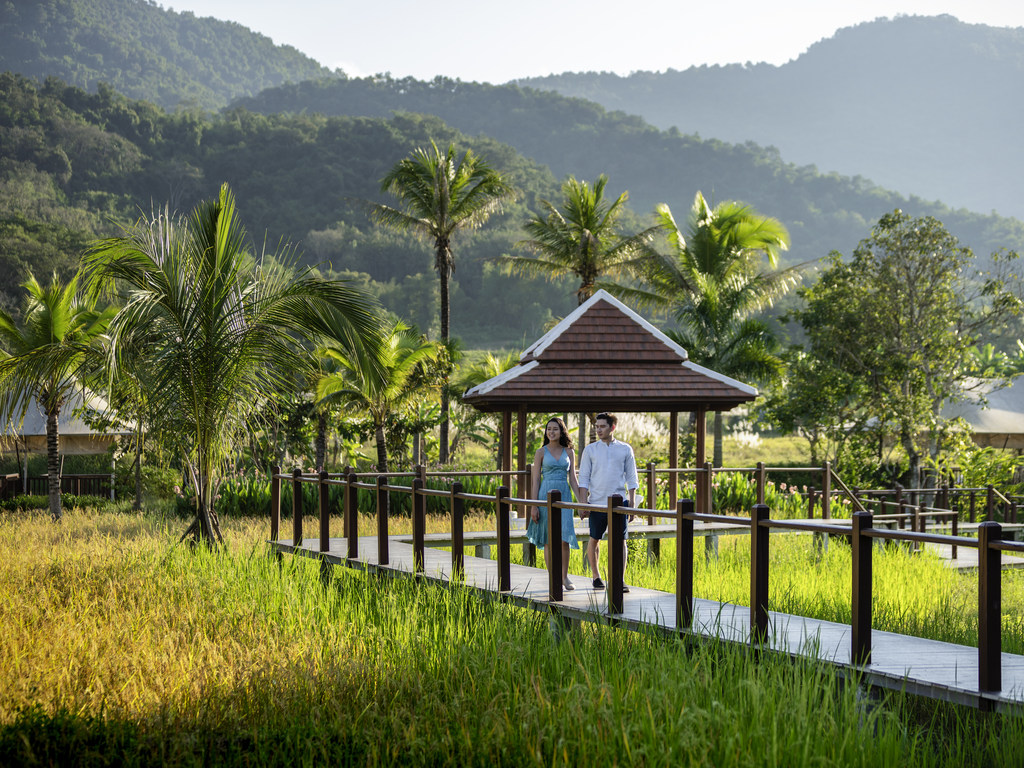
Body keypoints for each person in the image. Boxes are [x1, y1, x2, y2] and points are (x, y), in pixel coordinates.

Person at [577, 412, 638, 591]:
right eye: (597, 427)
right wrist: (582, 503)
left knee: (620, 541)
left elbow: (632, 477)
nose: (599, 430)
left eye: (602, 426)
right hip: (596, 502)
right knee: (594, 539)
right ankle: (596, 577)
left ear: (612, 427)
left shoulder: (625, 449)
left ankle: (619, 579)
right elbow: (584, 478)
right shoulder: (590, 450)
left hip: (619, 504)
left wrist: (632, 503)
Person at [527, 417, 582, 590]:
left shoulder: (569, 452)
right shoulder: (540, 452)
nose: (551, 432)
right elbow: (535, 480)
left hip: (564, 496)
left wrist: (581, 503)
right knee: (549, 540)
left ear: (561, 431)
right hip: (545, 495)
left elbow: (573, 479)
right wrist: (534, 505)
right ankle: (553, 577)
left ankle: (564, 577)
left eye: (555, 429)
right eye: (549, 429)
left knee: (564, 538)